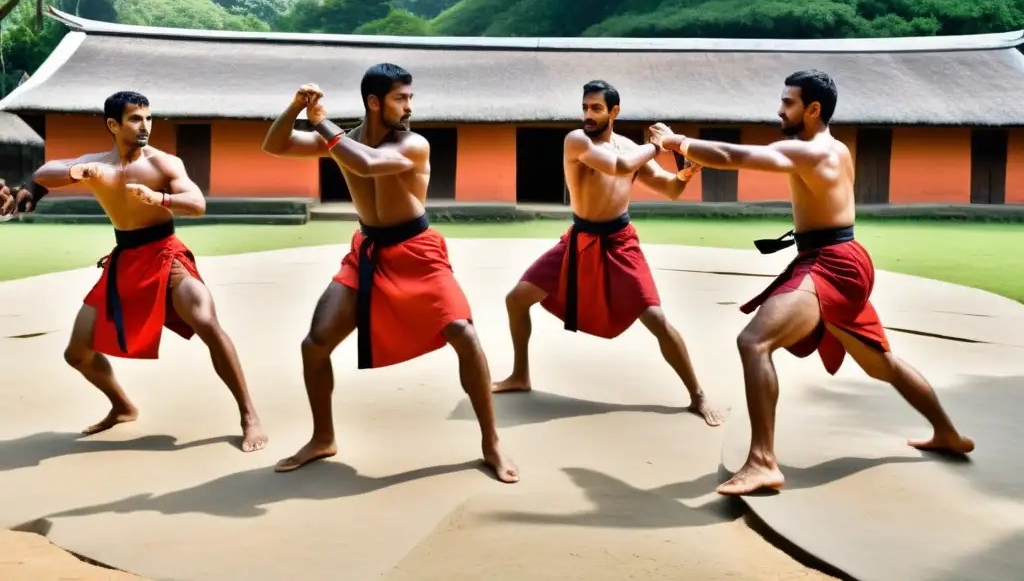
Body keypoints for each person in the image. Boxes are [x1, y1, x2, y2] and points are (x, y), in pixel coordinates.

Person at [647, 69, 975, 496]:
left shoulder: (813, 151)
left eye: (788, 102)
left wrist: (675, 142)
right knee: (881, 363)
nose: (779, 109)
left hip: (831, 263)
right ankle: (947, 433)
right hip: (837, 258)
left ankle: (763, 462)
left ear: (812, 108)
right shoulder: (831, 148)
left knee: (754, 342)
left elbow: (732, 156)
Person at [261, 67, 519, 483]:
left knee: (463, 333)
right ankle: (323, 437)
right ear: (374, 102)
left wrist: (320, 122)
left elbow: (366, 165)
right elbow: (275, 145)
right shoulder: (343, 141)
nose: (410, 106)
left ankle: (492, 443)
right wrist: (295, 108)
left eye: (411, 97)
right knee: (315, 344)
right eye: (402, 98)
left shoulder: (412, 143)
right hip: (367, 250)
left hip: (418, 251)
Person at [30, 91, 267, 452]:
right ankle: (122, 406)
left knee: (206, 319)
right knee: (77, 353)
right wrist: (78, 171)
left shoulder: (163, 164)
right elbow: (43, 174)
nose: (145, 126)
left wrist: (160, 199)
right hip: (124, 260)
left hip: (166, 255)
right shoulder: (98, 164)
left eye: (149, 118)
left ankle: (249, 414)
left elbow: (198, 204)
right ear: (113, 125)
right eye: (135, 119)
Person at [492, 80, 724, 427]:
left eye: (596, 108)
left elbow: (669, 188)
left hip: (619, 241)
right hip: (580, 239)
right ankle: (520, 374)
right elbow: (617, 166)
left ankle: (698, 395)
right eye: (585, 107)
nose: (588, 114)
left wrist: (687, 171)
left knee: (656, 319)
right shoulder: (578, 141)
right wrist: (658, 144)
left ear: (614, 112)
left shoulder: (630, 147)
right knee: (516, 299)